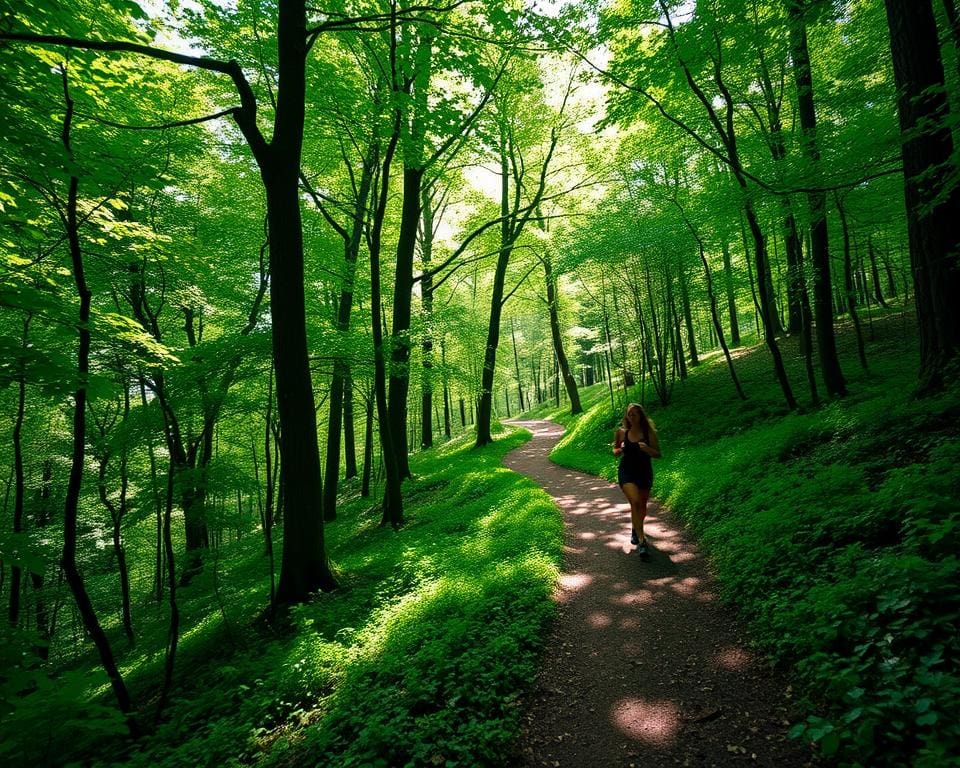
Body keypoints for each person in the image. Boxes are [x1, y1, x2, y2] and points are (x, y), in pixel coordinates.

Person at [613, 402, 661, 555]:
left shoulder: (649, 433)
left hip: (644, 471)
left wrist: (647, 449)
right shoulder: (621, 433)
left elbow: (658, 454)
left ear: (641, 416)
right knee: (635, 501)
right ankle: (642, 541)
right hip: (626, 471)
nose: (632, 416)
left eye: (635, 413)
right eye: (629, 414)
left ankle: (635, 528)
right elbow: (615, 451)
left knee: (642, 505)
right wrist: (620, 449)